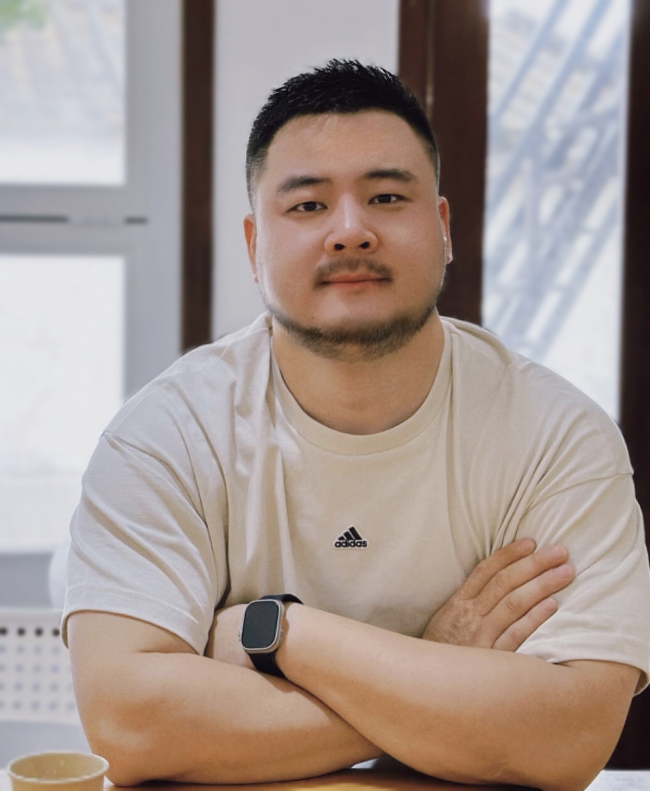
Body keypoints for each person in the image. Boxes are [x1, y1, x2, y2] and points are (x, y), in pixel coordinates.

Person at [64, 60, 650, 790]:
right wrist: (441, 667)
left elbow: (570, 735)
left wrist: (281, 633)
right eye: (308, 205)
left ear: (443, 228)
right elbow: (129, 724)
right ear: (254, 245)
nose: (350, 231)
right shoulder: (166, 434)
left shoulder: (558, 435)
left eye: (386, 197)